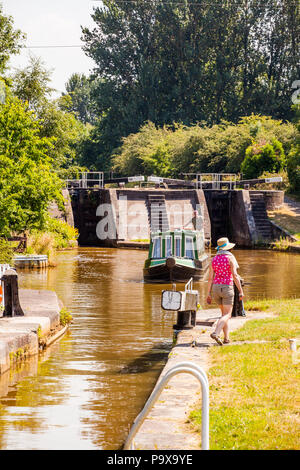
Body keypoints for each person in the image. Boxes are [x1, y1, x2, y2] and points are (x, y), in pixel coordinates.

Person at [206, 237, 244, 345]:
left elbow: (210, 278)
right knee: (228, 314)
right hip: (227, 287)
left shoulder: (214, 259)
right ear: (228, 248)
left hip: (216, 288)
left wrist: (208, 293)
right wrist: (241, 291)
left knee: (223, 314)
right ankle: (216, 333)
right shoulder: (230, 258)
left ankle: (226, 338)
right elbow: (235, 276)